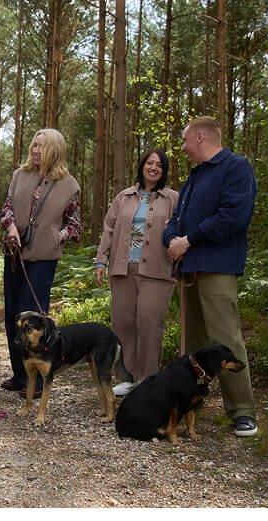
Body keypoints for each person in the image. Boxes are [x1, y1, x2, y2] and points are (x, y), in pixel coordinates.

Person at [163, 116, 258, 437]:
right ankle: (191, 404)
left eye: (185, 140)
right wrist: (172, 240)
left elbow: (233, 216)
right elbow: (176, 219)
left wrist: (187, 240)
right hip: (188, 269)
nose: (183, 147)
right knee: (194, 345)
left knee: (225, 340)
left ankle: (243, 412)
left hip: (217, 267)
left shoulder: (235, 168)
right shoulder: (194, 177)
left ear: (201, 138)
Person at [0, 128, 82, 395]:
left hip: (44, 259)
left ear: (55, 151)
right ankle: (18, 374)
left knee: (32, 317)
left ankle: (33, 380)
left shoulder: (69, 185)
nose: (35, 151)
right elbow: (7, 208)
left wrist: (57, 236)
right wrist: (10, 227)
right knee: (14, 313)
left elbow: (75, 225)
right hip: (14, 255)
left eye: (41, 147)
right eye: (34, 145)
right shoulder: (19, 175)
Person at [94, 148, 179, 396]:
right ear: (142, 165)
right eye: (149, 163)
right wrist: (101, 261)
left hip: (157, 270)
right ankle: (129, 376)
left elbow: (180, 229)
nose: (153, 168)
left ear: (163, 172)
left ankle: (149, 380)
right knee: (123, 324)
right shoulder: (124, 197)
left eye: (159, 165)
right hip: (123, 268)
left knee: (149, 324)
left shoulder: (173, 198)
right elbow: (109, 229)